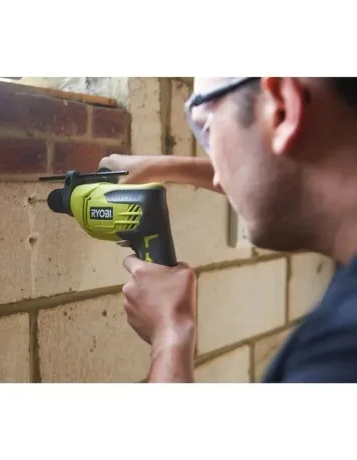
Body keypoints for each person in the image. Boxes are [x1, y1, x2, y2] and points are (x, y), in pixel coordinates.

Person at [99, 77, 357, 383]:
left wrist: (170, 334)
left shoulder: (338, 354)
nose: (219, 180)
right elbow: (291, 165)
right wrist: (160, 166)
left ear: (282, 107)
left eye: (207, 128)